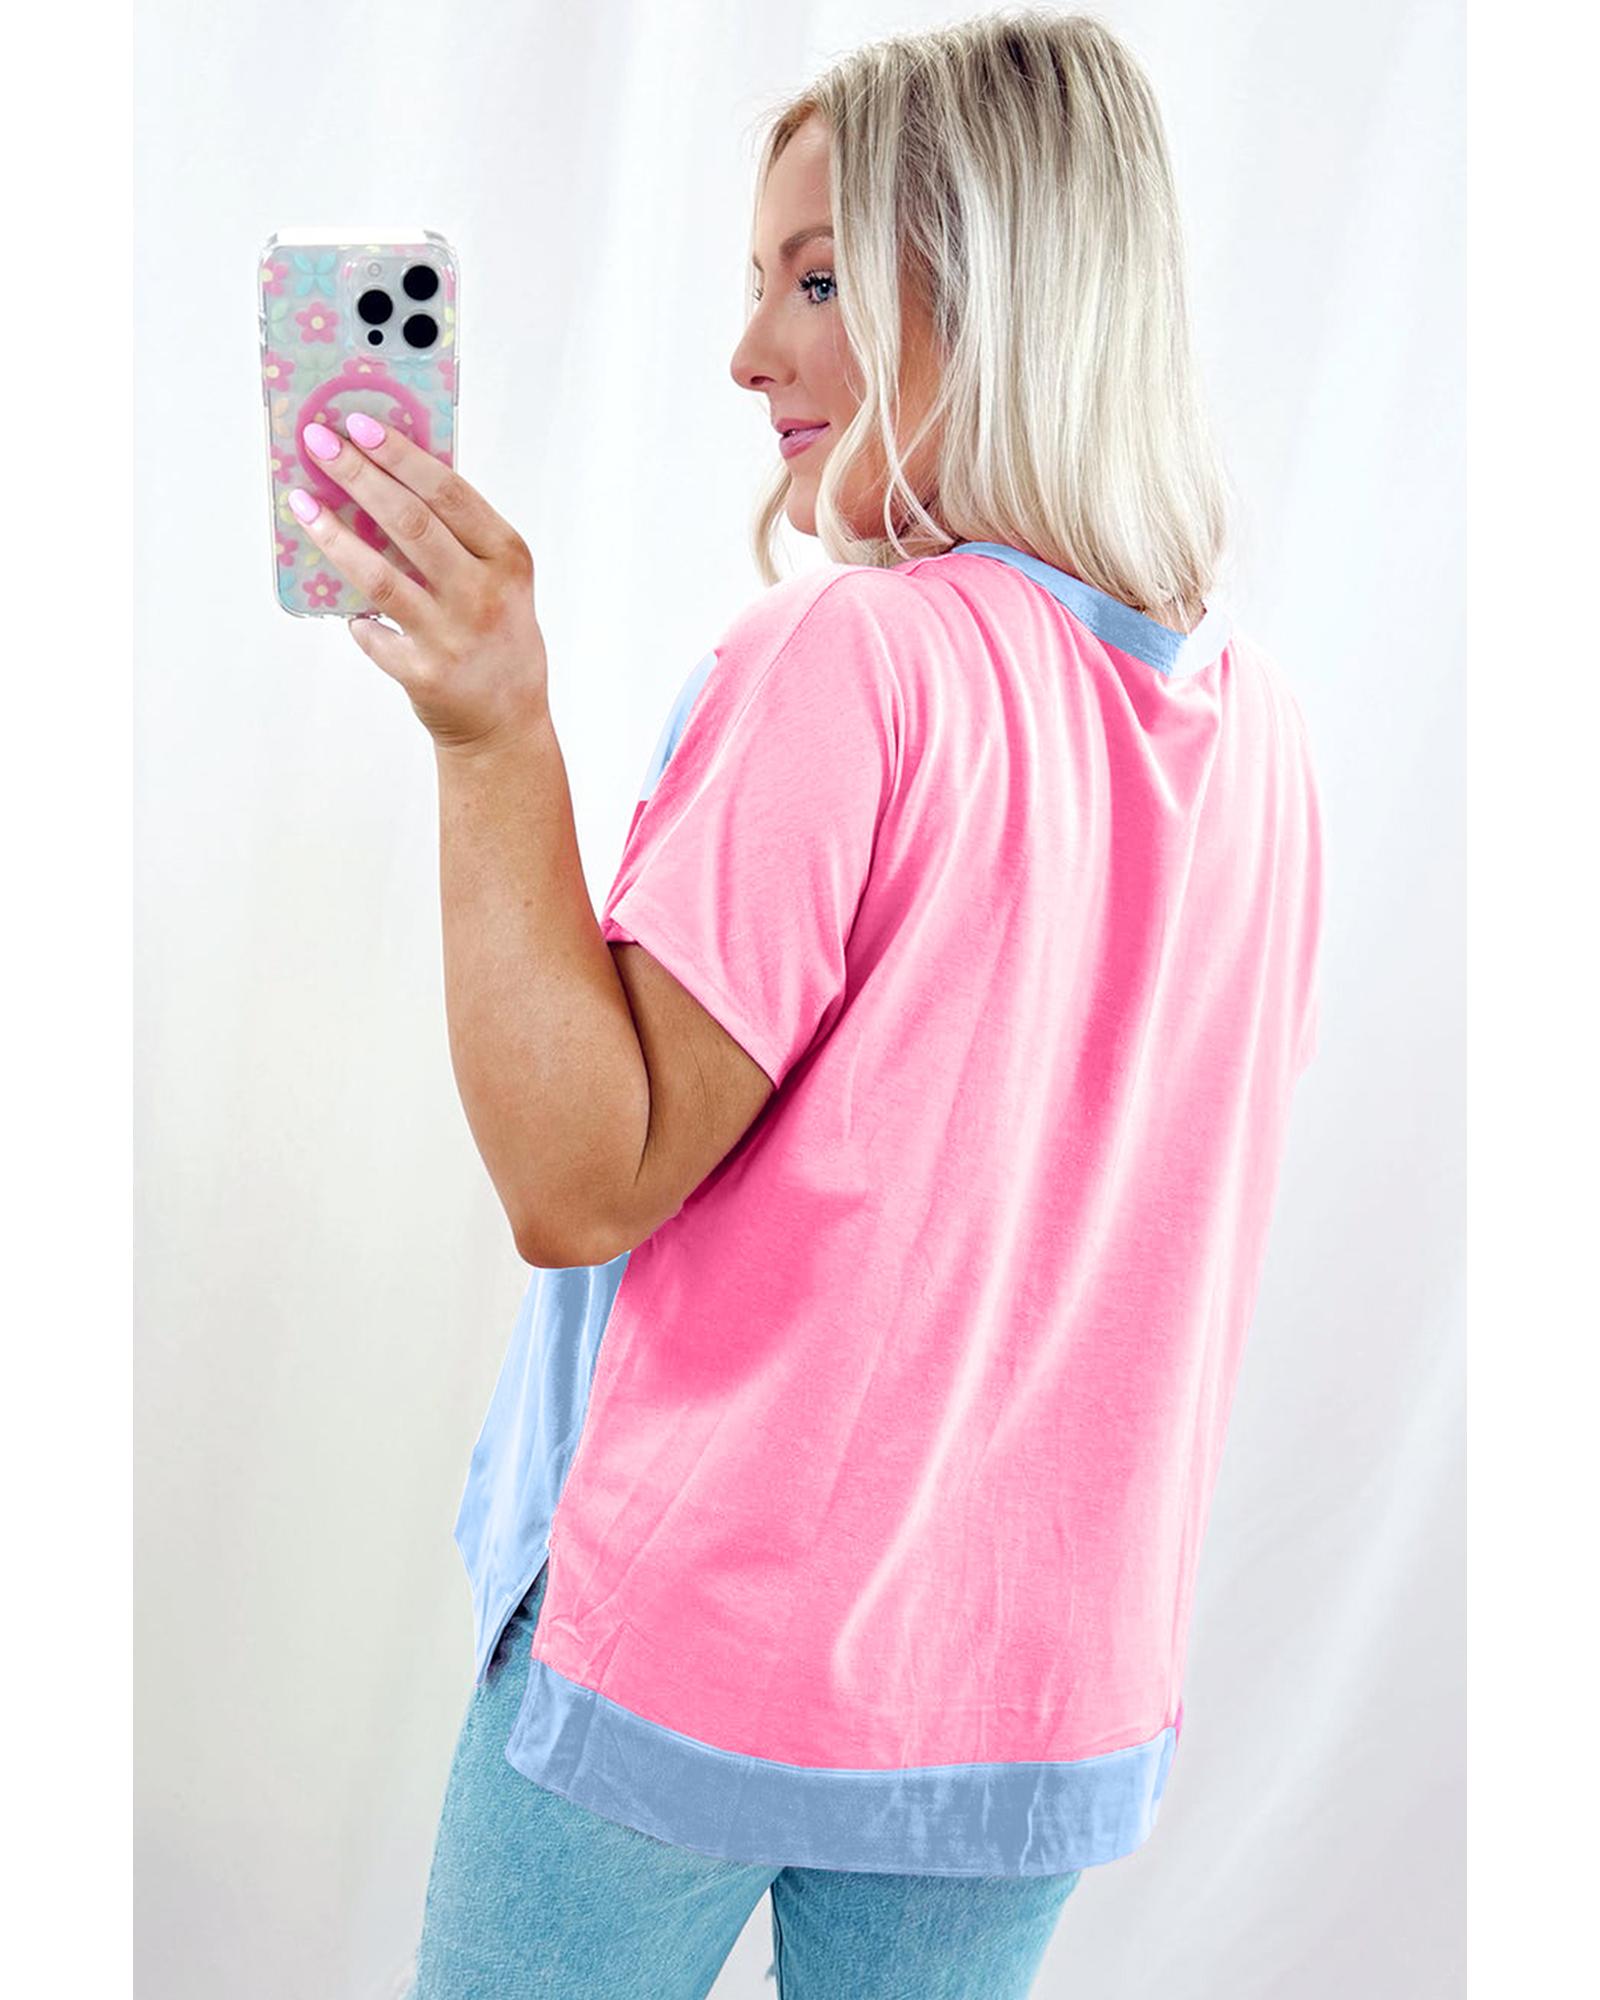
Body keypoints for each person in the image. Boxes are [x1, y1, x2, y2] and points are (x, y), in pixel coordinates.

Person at [406, 9, 1323, 1996]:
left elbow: (580, 1177)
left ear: (1007, 288)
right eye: (757, 283)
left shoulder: (857, 661)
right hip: (1036, 1693)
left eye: (816, 281)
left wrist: (491, 732)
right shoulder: (1255, 733)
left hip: (706, 1647)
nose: (751, 354)